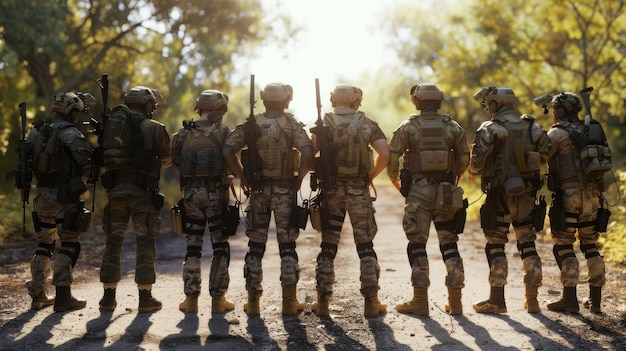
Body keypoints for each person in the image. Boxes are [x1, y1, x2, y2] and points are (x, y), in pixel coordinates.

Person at [222, 82, 313, 315]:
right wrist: (299, 178)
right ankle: (289, 303)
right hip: (284, 191)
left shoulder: (252, 124)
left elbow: (228, 150)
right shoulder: (291, 124)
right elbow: (307, 151)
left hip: (259, 192)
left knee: (255, 247)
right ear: (286, 100)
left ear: (264, 100)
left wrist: (241, 176)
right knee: (288, 247)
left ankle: (253, 304)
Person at [387, 83, 470, 316]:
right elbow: (464, 158)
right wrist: (454, 178)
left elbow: (392, 158)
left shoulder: (408, 127)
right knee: (449, 244)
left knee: (417, 245)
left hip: (419, 191)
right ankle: (455, 302)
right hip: (446, 192)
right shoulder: (452, 128)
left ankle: (420, 301)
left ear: (417, 102)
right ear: (439, 101)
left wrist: (395, 180)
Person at [310, 84, 390, 317]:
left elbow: (310, 152)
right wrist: (370, 176)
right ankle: (371, 303)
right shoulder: (367, 124)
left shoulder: (323, 124)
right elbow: (384, 153)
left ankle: (323, 302)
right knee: (365, 246)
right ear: (356, 101)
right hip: (358, 190)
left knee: (328, 245)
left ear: (334, 100)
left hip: (332, 191)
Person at [469, 86, 551, 314]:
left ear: (494, 104)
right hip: (527, 193)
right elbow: (547, 153)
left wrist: (478, 169)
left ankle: (497, 300)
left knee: (496, 245)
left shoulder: (491, 128)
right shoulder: (532, 126)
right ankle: (532, 300)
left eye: (489, 104)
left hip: (499, 195)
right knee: (527, 243)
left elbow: (475, 163)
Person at [98, 86, 172, 313]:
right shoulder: (154, 128)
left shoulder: (110, 127)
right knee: (145, 242)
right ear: (147, 104)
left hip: (116, 191)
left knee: (113, 242)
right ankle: (145, 298)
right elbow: (168, 158)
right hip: (143, 193)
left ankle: (108, 298)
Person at [544, 92, 611, 314]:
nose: (554, 112)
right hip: (593, 196)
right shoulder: (590, 130)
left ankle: (569, 299)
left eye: (555, 108)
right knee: (590, 245)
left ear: (560, 110)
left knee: (564, 245)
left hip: (569, 196)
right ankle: (596, 302)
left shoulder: (557, 133)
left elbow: (541, 157)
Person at [27, 92, 94, 312]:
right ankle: (63, 296)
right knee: (69, 244)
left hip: (40, 195)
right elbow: (87, 164)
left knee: (45, 243)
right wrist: (80, 181)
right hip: (64, 197)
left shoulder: (36, 132)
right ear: (71, 110)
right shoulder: (71, 133)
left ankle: (38, 294)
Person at [171, 90, 235, 313]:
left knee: (193, 247)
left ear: (200, 107)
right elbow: (231, 155)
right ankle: (218, 301)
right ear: (220, 107)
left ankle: (190, 300)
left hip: (190, 195)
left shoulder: (184, 131)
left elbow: (176, 160)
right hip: (216, 194)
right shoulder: (223, 131)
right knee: (219, 246)